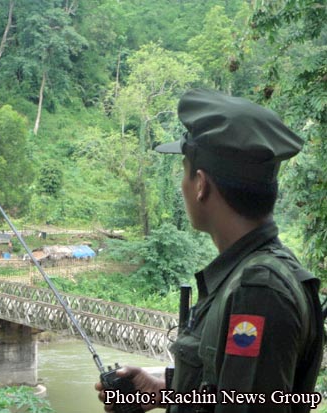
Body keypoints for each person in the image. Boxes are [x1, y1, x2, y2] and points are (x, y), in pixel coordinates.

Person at [95, 89, 324, 412]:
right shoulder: (254, 274)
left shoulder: (257, 289)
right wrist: (163, 389)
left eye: (184, 172)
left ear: (201, 184)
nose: (183, 186)